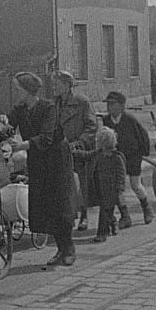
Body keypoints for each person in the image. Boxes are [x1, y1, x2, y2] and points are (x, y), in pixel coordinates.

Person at [7, 71, 76, 267]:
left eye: (17, 89)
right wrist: (2, 121)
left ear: (27, 91)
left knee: (60, 203)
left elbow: (46, 137)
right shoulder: (20, 109)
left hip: (56, 160)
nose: (15, 92)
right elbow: (8, 127)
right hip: (38, 160)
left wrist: (22, 146)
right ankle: (61, 249)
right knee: (45, 205)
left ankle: (68, 248)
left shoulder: (48, 108)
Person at [50, 70, 97, 232]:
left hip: (79, 151)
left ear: (67, 85)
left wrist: (79, 143)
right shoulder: (53, 104)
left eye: (56, 83)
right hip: (60, 150)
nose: (54, 87)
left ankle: (84, 216)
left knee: (81, 185)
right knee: (62, 185)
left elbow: (92, 126)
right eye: (53, 83)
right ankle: (67, 217)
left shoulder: (82, 102)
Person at [101, 91, 154, 228]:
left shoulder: (130, 119)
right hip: (117, 158)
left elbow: (143, 136)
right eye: (108, 104)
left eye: (113, 104)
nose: (109, 107)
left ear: (121, 106)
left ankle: (147, 209)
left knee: (135, 184)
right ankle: (125, 216)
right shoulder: (106, 120)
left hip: (133, 156)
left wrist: (143, 153)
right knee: (117, 188)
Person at [83, 127, 126, 243]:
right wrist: (74, 153)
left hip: (111, 189)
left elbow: (121, 174)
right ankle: (113, 222)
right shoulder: (98, 153)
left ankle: (102, 233)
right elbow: (86, 155)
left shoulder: (116, 157)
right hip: (99, 187)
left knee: (105, 211)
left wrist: (119, 188)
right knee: (107, 211)